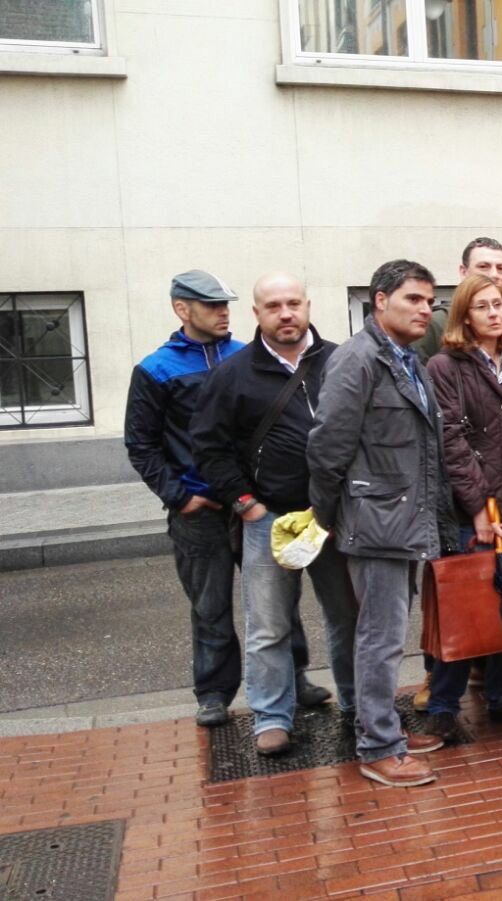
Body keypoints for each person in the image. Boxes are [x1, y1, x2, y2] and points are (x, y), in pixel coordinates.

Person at [125, 270, 329, 728]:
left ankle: (294, 678)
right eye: (212, 306)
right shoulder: (157, 369)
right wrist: (181, 498)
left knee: (276, 602)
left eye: (227, 305)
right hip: (202, 511)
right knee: (210, 604)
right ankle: (214, 692)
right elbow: (141, 445)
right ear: (183, 309)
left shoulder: (247, 357)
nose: (224, 313)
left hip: (255, 502)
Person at [191, 273, 357, 755]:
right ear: (257, 314)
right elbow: (209, 446)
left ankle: (355, 704)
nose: (285, 313)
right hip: (269, 519)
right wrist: (245, 503)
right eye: (273, 306)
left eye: (293, 303)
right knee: (269, 626)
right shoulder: (233, 373)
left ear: (308, 305)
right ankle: (270, 716)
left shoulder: (340, 362)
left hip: (333, 516)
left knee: (348, 618)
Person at [308, 259, 453, 788]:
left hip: (403, 519)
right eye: (413, 299)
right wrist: (329, 515)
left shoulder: (406, 357)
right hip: (376, 521)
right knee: (380, 636)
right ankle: (377, 745)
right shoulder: (358, 359)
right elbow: (327, 448)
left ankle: (383, 726)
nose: (424, 309)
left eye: (429, 300)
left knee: (387, 633)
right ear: (380, 300)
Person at [422, 272, 502, 740]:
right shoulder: (444, 367)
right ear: (464, 316)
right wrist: (476, 506)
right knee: (467, 603)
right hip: (474, 507)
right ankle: (443, 704)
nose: (495, 313)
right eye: (483, 307)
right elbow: (450, 441)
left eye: (500, 305)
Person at [416, 237, 502, 362]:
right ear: (464, 272)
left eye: (501, 269)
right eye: (483, 267)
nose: (494, 275)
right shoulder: (434, 324)